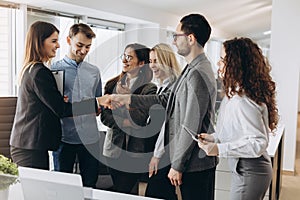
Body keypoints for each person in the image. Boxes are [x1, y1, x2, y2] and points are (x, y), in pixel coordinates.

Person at [109, 13, 218, 200]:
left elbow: (190, 125)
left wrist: (177, 165)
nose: (174, 41)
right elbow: (167, 100)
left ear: (190, 38)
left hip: (195, 162)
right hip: (192, 160)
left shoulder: (198, 73)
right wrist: (128, 99)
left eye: (177, 36)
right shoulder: (191, 68)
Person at [9, 21, 109, 170]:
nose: (58, 45)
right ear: (40, 42)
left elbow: (46, 104)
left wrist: (57, 100)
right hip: (33, 144)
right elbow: (61, 109)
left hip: (31, 144)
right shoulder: (42, 71)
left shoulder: (32, 69)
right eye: (54, 41)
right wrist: (96, 102)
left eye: (87, 46)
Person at [198, 37, 279, 200]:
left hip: (251, 170)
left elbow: (258, 143)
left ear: (236, 64)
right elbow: (236, 130)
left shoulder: (243, 100)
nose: (219, 65)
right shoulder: (234, 93)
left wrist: (219, 149)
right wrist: (214, 138)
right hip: (244, 168)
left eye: (223, 60)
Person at [100, 43, 157, 195]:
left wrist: (126, 99)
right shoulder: (112, 84)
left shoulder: (149, 89)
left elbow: (140, 119)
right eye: (124, 56)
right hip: (113, 149)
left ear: (142, 63)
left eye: (129, 57)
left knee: (125, 191)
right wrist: (125, 122)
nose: (124, 60)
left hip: (135, 151)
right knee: (119, 191)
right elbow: (105, 117)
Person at [51, 23, 101, 188]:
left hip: (90, 139)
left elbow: (97, 104)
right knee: (62, 186)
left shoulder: (94, 71)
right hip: (64, 138)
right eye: (79, 45)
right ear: (68, 40)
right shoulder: (54, 70)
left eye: (88, 47)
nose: (84, 51)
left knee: (90, 184)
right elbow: (54, 108)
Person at [145, 43, 181, 200]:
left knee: (155, 193)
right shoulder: (161, 87)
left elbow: (167, 126)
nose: (152, 65)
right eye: (151, 61)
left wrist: (157, 155)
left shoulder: (173, 88)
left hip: (165, 153)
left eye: (156, 61)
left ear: (167, 61)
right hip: (159, 151)